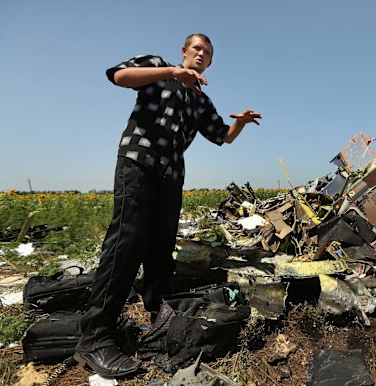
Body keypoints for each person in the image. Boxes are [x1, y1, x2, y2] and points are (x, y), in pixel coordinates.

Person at [74, 33, 261, 377]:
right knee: (126, 243)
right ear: (185, 52)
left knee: (161, 246)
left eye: (207, 53)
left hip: (171, 175)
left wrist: (240, 123)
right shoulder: (160, 67)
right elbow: (119, 76)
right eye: (197, 49)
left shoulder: (201, 101)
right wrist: (173, 73)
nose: (201, 55)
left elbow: (222, 136)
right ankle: (95, 335)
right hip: (139, 161)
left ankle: (159, 307)